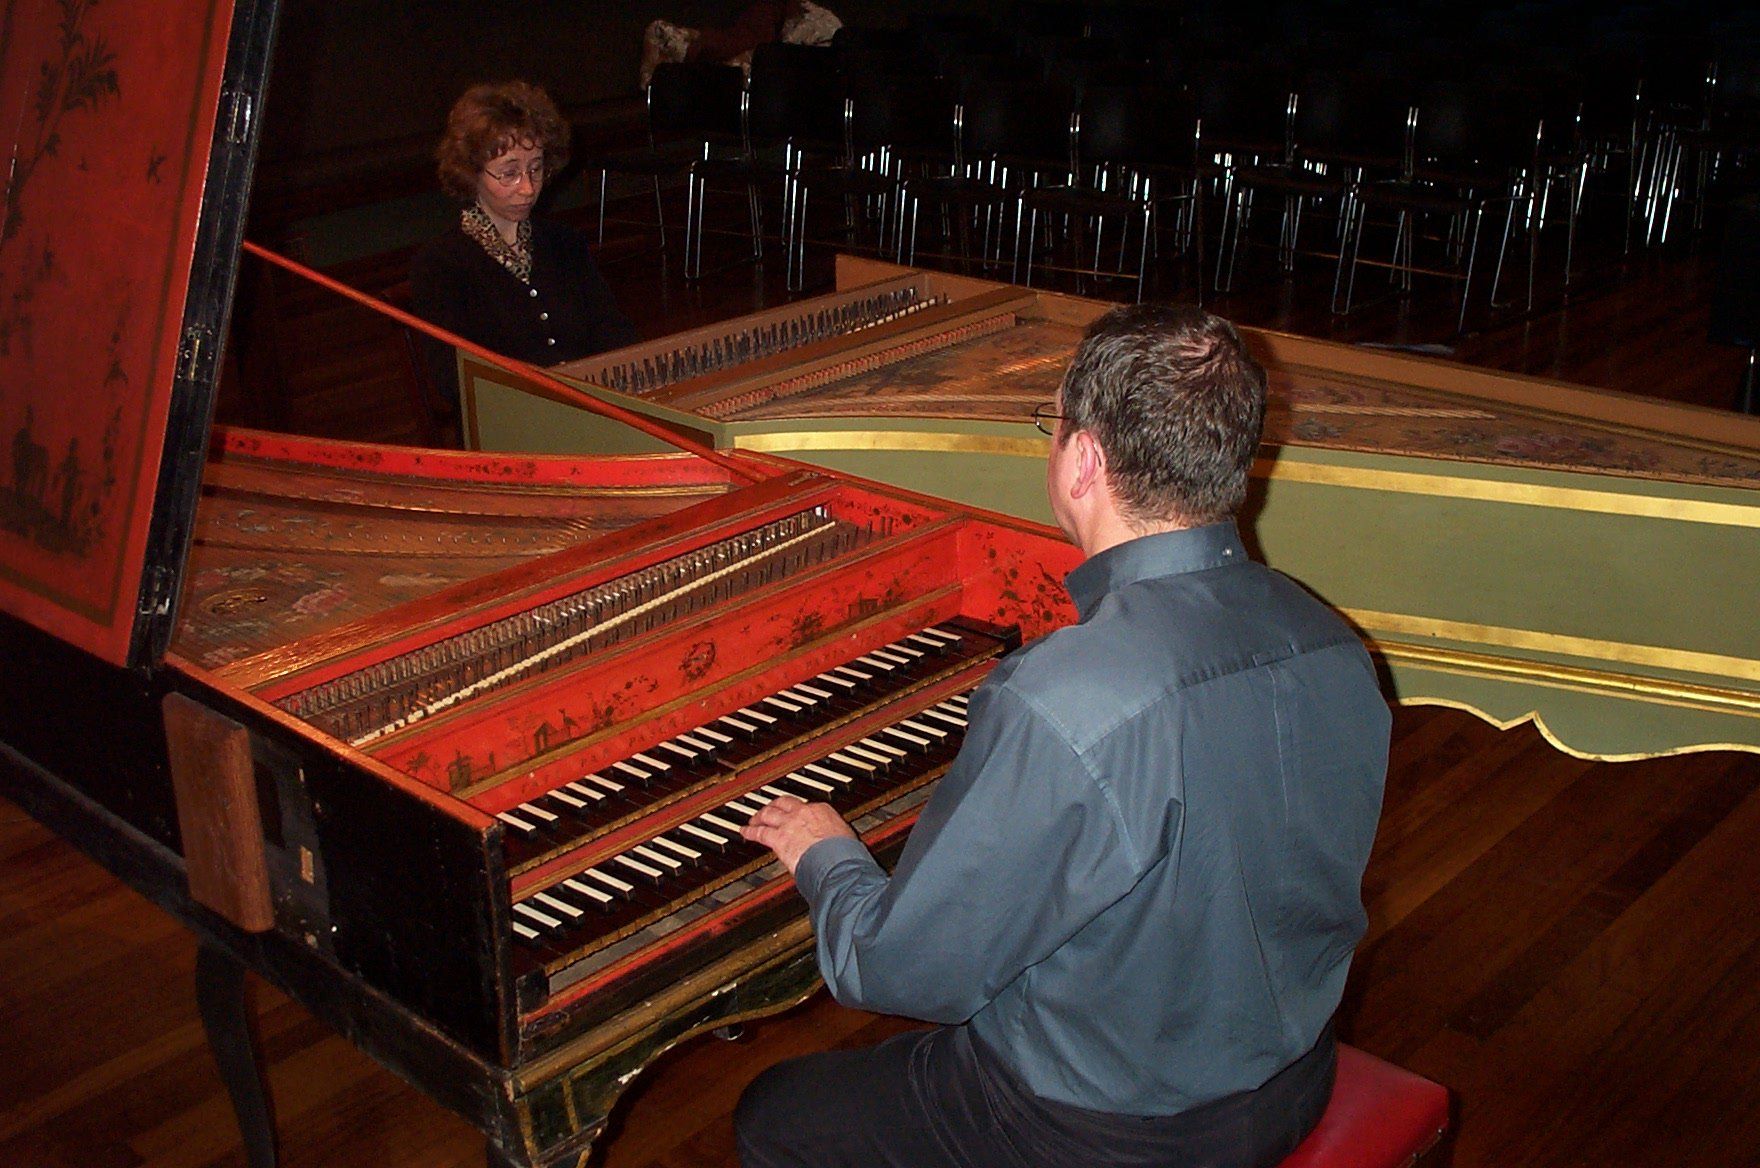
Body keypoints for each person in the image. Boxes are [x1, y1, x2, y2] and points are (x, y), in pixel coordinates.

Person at [736, 304, 1392, 1168]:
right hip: (1292, 1080)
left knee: (776, 1115)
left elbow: (896, 972)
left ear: (1083, 461)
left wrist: (829, 854)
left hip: (1103, 1137)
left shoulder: (1069, 695)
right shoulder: (1335, 641)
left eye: (1053, 426)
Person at [409, 81, 635, 410]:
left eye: (535, 168)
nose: (528, 188)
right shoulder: (440, 264)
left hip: (586, 412)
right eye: (509, 173)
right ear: (472, 173)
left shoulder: (564, 243)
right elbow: (453, 382)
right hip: (509, 425)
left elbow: (613, 333)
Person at [639, 0, 842, 90]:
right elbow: (739, 37)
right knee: (659, 31)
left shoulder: (817, 23)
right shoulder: (764, 11)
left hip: (785, 89)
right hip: (738, 63)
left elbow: (769, 55)